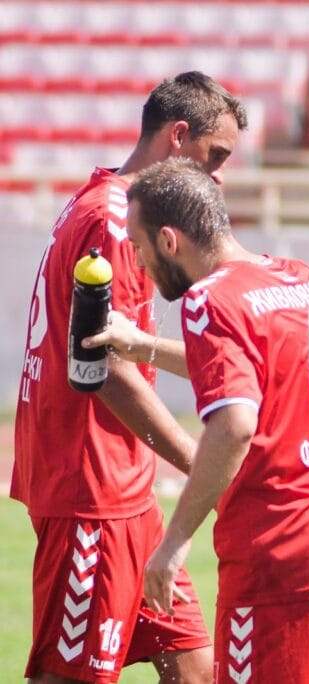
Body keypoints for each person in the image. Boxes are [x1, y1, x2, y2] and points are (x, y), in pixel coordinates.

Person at [119, 157, 309, 683]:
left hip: (284, 560)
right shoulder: (301, 279)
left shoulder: (209, 298)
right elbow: (254, 366)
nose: (137, 263)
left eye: (138, 247)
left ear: (167, 239)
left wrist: (176, 539)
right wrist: (143, 348)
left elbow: (235, 421)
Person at [13, 71, 247, 684]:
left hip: (126, 493)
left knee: (197, 670)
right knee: (69, 678)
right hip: (91, 488)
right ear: (177, 137)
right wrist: (204, 465)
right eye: (214, 155)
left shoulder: (106, 202)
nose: (217, 175)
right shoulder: (116, 222)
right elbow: (106, 369)